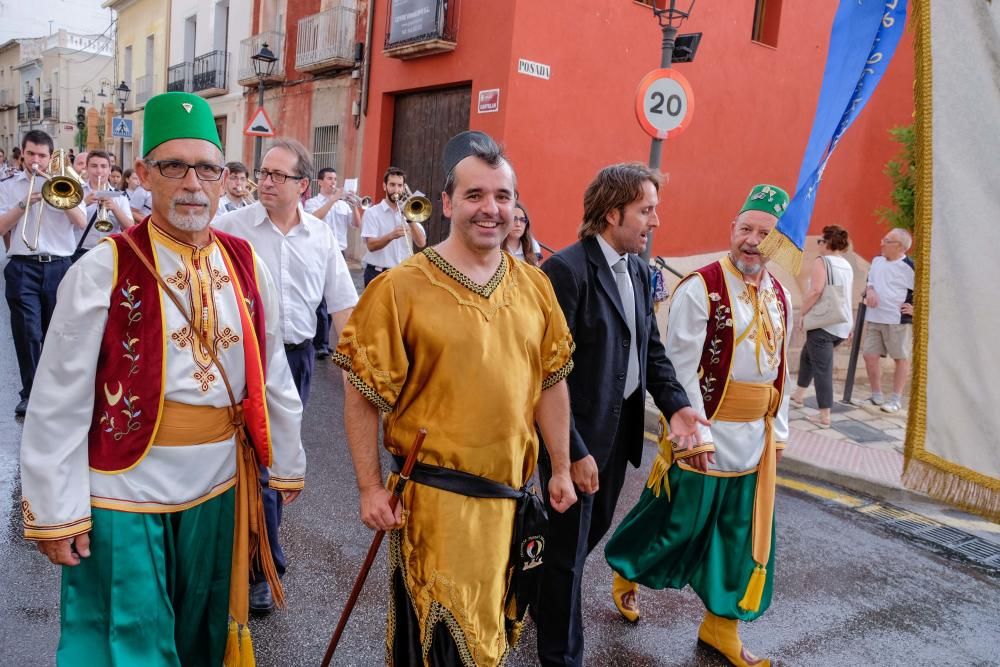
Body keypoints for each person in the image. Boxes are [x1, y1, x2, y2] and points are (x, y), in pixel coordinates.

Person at [18, 91, 306, 665]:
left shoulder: (246, 263)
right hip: (125, 488)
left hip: (219, 485)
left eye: (205, 167)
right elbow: (58, 396)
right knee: (131, 641)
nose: (192, 183)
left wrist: (288, 462)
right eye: (173, 166)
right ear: (146, 174)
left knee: (201, 634)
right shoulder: (104, 266)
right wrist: (54, 508)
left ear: (224, 179)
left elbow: (270, 371)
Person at [334, 130, 577, 665]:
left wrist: (559, 465)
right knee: (446, 647)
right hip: (436, 508)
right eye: (475, 196)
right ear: (446, 203)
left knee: (493, 638)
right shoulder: (399, 289)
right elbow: (363, 393)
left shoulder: (536, 286)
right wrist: (371, 487)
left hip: (512, 503)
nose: (490, 209)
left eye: (503, 197)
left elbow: (551, 381)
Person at [603, 184, 793, 667]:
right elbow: (678, 368)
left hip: (755, 438)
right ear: (732, 229)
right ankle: (626, 572)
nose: (752, 240)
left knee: (739, 534)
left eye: (764, 233)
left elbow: (781, 370)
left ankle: (720, 626)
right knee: (676, 524)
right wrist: (691, 433)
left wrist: (782, 428)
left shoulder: (781, 296)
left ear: (777, 242)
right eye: (745, 229)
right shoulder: (700, 287)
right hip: (704, 432)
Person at [536, 163, 705, 666]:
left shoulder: (636, 269)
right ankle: (562, 656)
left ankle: (522, 590)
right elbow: (548, 374)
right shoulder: (565, 271)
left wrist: (678, 407)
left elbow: (649, 350)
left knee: (582, 541)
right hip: (575, 441)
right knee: (567, 557)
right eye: (646, 210)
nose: (655, 220)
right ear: (612, 214)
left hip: (618, 436)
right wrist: (572, 455)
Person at [214, 138, 358, 613]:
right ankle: (260, 565)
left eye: (278, 175)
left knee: (276, 458)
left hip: (295, 360)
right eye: (264, 172)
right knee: (257, 460)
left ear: (303, 185)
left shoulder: (320, 239)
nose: (266, 181)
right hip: (240, 361)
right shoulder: (229, 229)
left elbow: (342, 307)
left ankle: (264, 545)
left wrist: (363, 369)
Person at [0, 130, 87, 416]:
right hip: (23, 266)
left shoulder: (69, 181)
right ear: (22, 154)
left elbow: (80, 221)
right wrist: (25, 203)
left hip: (60, 266)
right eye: (31, 154)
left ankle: (56, 394)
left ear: (51, 157)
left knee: (58, 333)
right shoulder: (9, 185)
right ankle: (31, 393)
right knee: (28, 333)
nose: (35, 160)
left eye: (42, 155)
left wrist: (57, 191)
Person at [791, 225, 854, 427]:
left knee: (822, 368)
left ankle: (824, 415)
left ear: (827, 243)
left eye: (820, 241)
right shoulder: (846, 264)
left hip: (824, 323)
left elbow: (816, 290)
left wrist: (802, 313)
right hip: (841, 323)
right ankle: (799, 395)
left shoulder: (822, 261)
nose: (818, 244)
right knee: (808, 355)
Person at [303, 166, 362, 359]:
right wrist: (333, 199)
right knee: (320, 299)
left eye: (335, 179)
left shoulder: (343, 205)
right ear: (320, 182)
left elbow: (356, 225)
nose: (333, 182)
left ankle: (323, 340)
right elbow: (313, 219)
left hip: (340, 253)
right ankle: (320, 343)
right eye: (329, 179)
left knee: (336, 297)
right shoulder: (312, 203)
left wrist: (355, 206)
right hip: (318, 252)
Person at [855, 228, 915, 414]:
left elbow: (927, 289)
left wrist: (916, 309)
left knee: (900, 358)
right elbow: (870, 282)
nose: (881, 242)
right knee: (869, 355)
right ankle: (876, 395)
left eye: (886, 240)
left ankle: (896, 400)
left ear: (899, 246)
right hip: (874, 317)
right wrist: (870, 290)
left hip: (897, 320)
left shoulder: (909, 267)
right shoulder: (877, 260)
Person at [360, 166, 427, 286]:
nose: (396, 189)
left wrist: (410, 220)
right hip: (377, 274)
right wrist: (391, 236)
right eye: (392, 185)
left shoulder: (409, 211)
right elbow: (371, 246)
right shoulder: (372, 213)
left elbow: (421, 243)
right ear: (384, 186)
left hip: (403, 273)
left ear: (404, 187)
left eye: (400, 185)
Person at [74, 150, 134, 260]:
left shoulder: (120, 197)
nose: (99, 171)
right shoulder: (77, 193)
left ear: (110, 170)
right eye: (94, 166)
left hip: (110, 252)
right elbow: (66, 224)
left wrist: (115, 208)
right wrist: (83, 203)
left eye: (103, 166)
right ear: (86, 168)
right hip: (81, 251)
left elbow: (130, 228)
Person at [505, 200, 542, 266]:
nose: (518, 224)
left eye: (522, 220)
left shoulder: (533, 245)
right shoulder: (495, 245)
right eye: (514, 219)